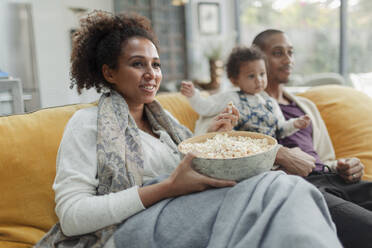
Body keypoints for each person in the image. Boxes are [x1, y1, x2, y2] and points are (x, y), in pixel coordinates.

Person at [36, 11, 342, 248]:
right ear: (109, 72)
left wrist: (213, 137)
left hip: (181, 210)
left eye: (155, 65)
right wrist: (166, 188)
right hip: (128, 230)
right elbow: (71, 215)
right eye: (137, 64)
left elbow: (189, 171)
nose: (151, 74)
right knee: (278, 189)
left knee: (286, 188)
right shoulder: (86, 124)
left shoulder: (164, 123)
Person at [252, 29, 372, 248]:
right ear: (257, 58)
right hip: (299, 187)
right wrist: (278, 154)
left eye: (291, 52)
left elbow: (326, 158)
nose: (288, 60)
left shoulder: (306, 108)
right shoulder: (243, 105)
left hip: (333, 179)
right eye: (278, 53)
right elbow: (215, 146)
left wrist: (347, 166)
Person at [180, 46, 311, 138]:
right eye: (251, 76)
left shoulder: (270, 103)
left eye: (262, 74)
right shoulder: (231, 98)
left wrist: (295, 124)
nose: (259, 80)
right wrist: (193, 94)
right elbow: (205, 108)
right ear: (234, 80)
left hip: (270, 155)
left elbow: (281, 129)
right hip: (243, 151)